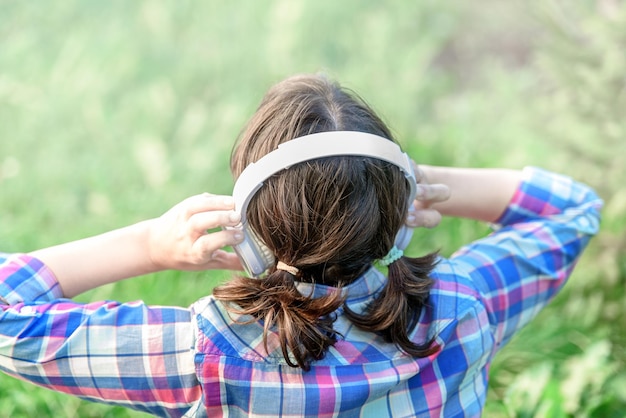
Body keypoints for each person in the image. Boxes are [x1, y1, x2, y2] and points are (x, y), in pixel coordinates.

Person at [0, 74, 602, 417]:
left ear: (253, 226)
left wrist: (151, 245)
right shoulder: (465, 308)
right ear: (395, 219)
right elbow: (572, 208)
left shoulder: (203, 356)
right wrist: (419, 181)